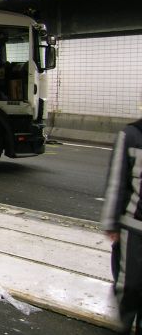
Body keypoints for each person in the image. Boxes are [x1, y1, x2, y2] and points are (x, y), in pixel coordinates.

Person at [101, 118, 142, 334]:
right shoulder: (131, 135)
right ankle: (124, 324)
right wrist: (111, 222)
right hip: (133, 228)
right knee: (129, 284)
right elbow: (116, 181)